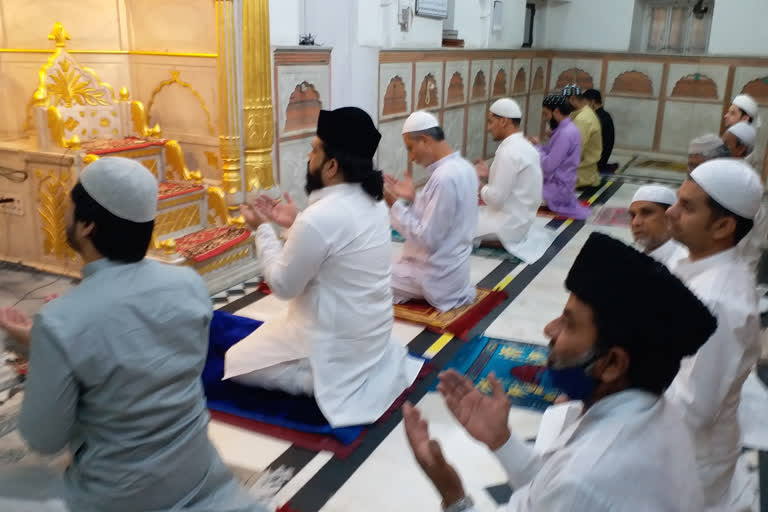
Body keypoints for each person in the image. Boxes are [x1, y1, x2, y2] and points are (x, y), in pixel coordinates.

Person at [0, 158, 258, 512]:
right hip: (198, 474)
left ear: (88, 226)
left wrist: (47, 346)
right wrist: (46, 342)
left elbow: (43, 438)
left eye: (71, 209)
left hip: (119, 497)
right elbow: (150, 361)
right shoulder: (188, 284)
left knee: (12, 487)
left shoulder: (61, 318)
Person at [403, 232, 716, 511]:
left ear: (612, 365)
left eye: (569, 324)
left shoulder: (588, 477)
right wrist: (502, 439)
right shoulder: (656, 413)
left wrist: (454, 495)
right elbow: (546, 490)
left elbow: (568, 489)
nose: (549, 329)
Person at [227, 107, 424, 428]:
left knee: (236, 361)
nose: (308, 156)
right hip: (371, 334)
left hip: (335, 344)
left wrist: (262, 229)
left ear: (332, 165)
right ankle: (361, 371)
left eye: (315, 149)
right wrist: (293, 223)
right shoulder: (373, 202)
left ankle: (323, 383)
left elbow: (282, 286)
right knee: (269, 327)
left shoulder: (319, 218)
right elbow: (330, 253)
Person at [665, 158, 763, 509]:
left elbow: (694, 410)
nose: (671, 212)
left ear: (723, 226)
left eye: (686, 207)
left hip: (690, 459)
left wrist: (620, 385)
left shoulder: (720, 302)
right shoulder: (694, 261)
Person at [384, 111, 478, 311]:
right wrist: (413, 198)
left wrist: (393, 203)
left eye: (410, 148)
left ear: (425, 140)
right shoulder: (464, 167)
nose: (411, 157)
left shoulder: (443, 177)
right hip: (454, 272)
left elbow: (427, 237)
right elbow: (443, 219)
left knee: (368, 277)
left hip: (435, 276)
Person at [474, 98, 547, 263]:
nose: (488, 128)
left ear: (504, 121)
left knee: (455, 226)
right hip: (523, 221)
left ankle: (499, 240)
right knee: (471, 215)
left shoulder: (508, 152)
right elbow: (514, 185)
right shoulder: (525, 146)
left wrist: (477, 184)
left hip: (508, 224)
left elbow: (496, 200)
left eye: (491, 122)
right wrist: (489, 173)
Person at [530, 95, 591, 220]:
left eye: (546, 114)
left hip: (558, 189)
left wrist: (535, 149)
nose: (544, 119)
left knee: (518, 193)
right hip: (564, 185)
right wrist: (538, 146)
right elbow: (553, 154)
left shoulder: (565, 133)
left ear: (556, 112)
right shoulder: (568, 128)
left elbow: (548, 166)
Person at [629, 184, 686, 267]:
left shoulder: (686, 261)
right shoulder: (632, 261)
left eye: (646, 212)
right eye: (633, 215)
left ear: (671, 216)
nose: (635, 222)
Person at [562, 84, 602, 189]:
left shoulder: (583, 119)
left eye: (564, 102)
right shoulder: (581, 113)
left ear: (572, 99)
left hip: (580, 176)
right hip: (586, 172)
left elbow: (574, 152)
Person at [723, 94, 762, 167]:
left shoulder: (747, 159)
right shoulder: (729, 136)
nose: (726, 116)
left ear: (745, 119)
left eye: (732, 113)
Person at [583, 89, 615, 173]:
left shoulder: (600, 118)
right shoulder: (601, 116)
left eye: (585, 103)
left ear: (592, 102)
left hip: (596, 162)